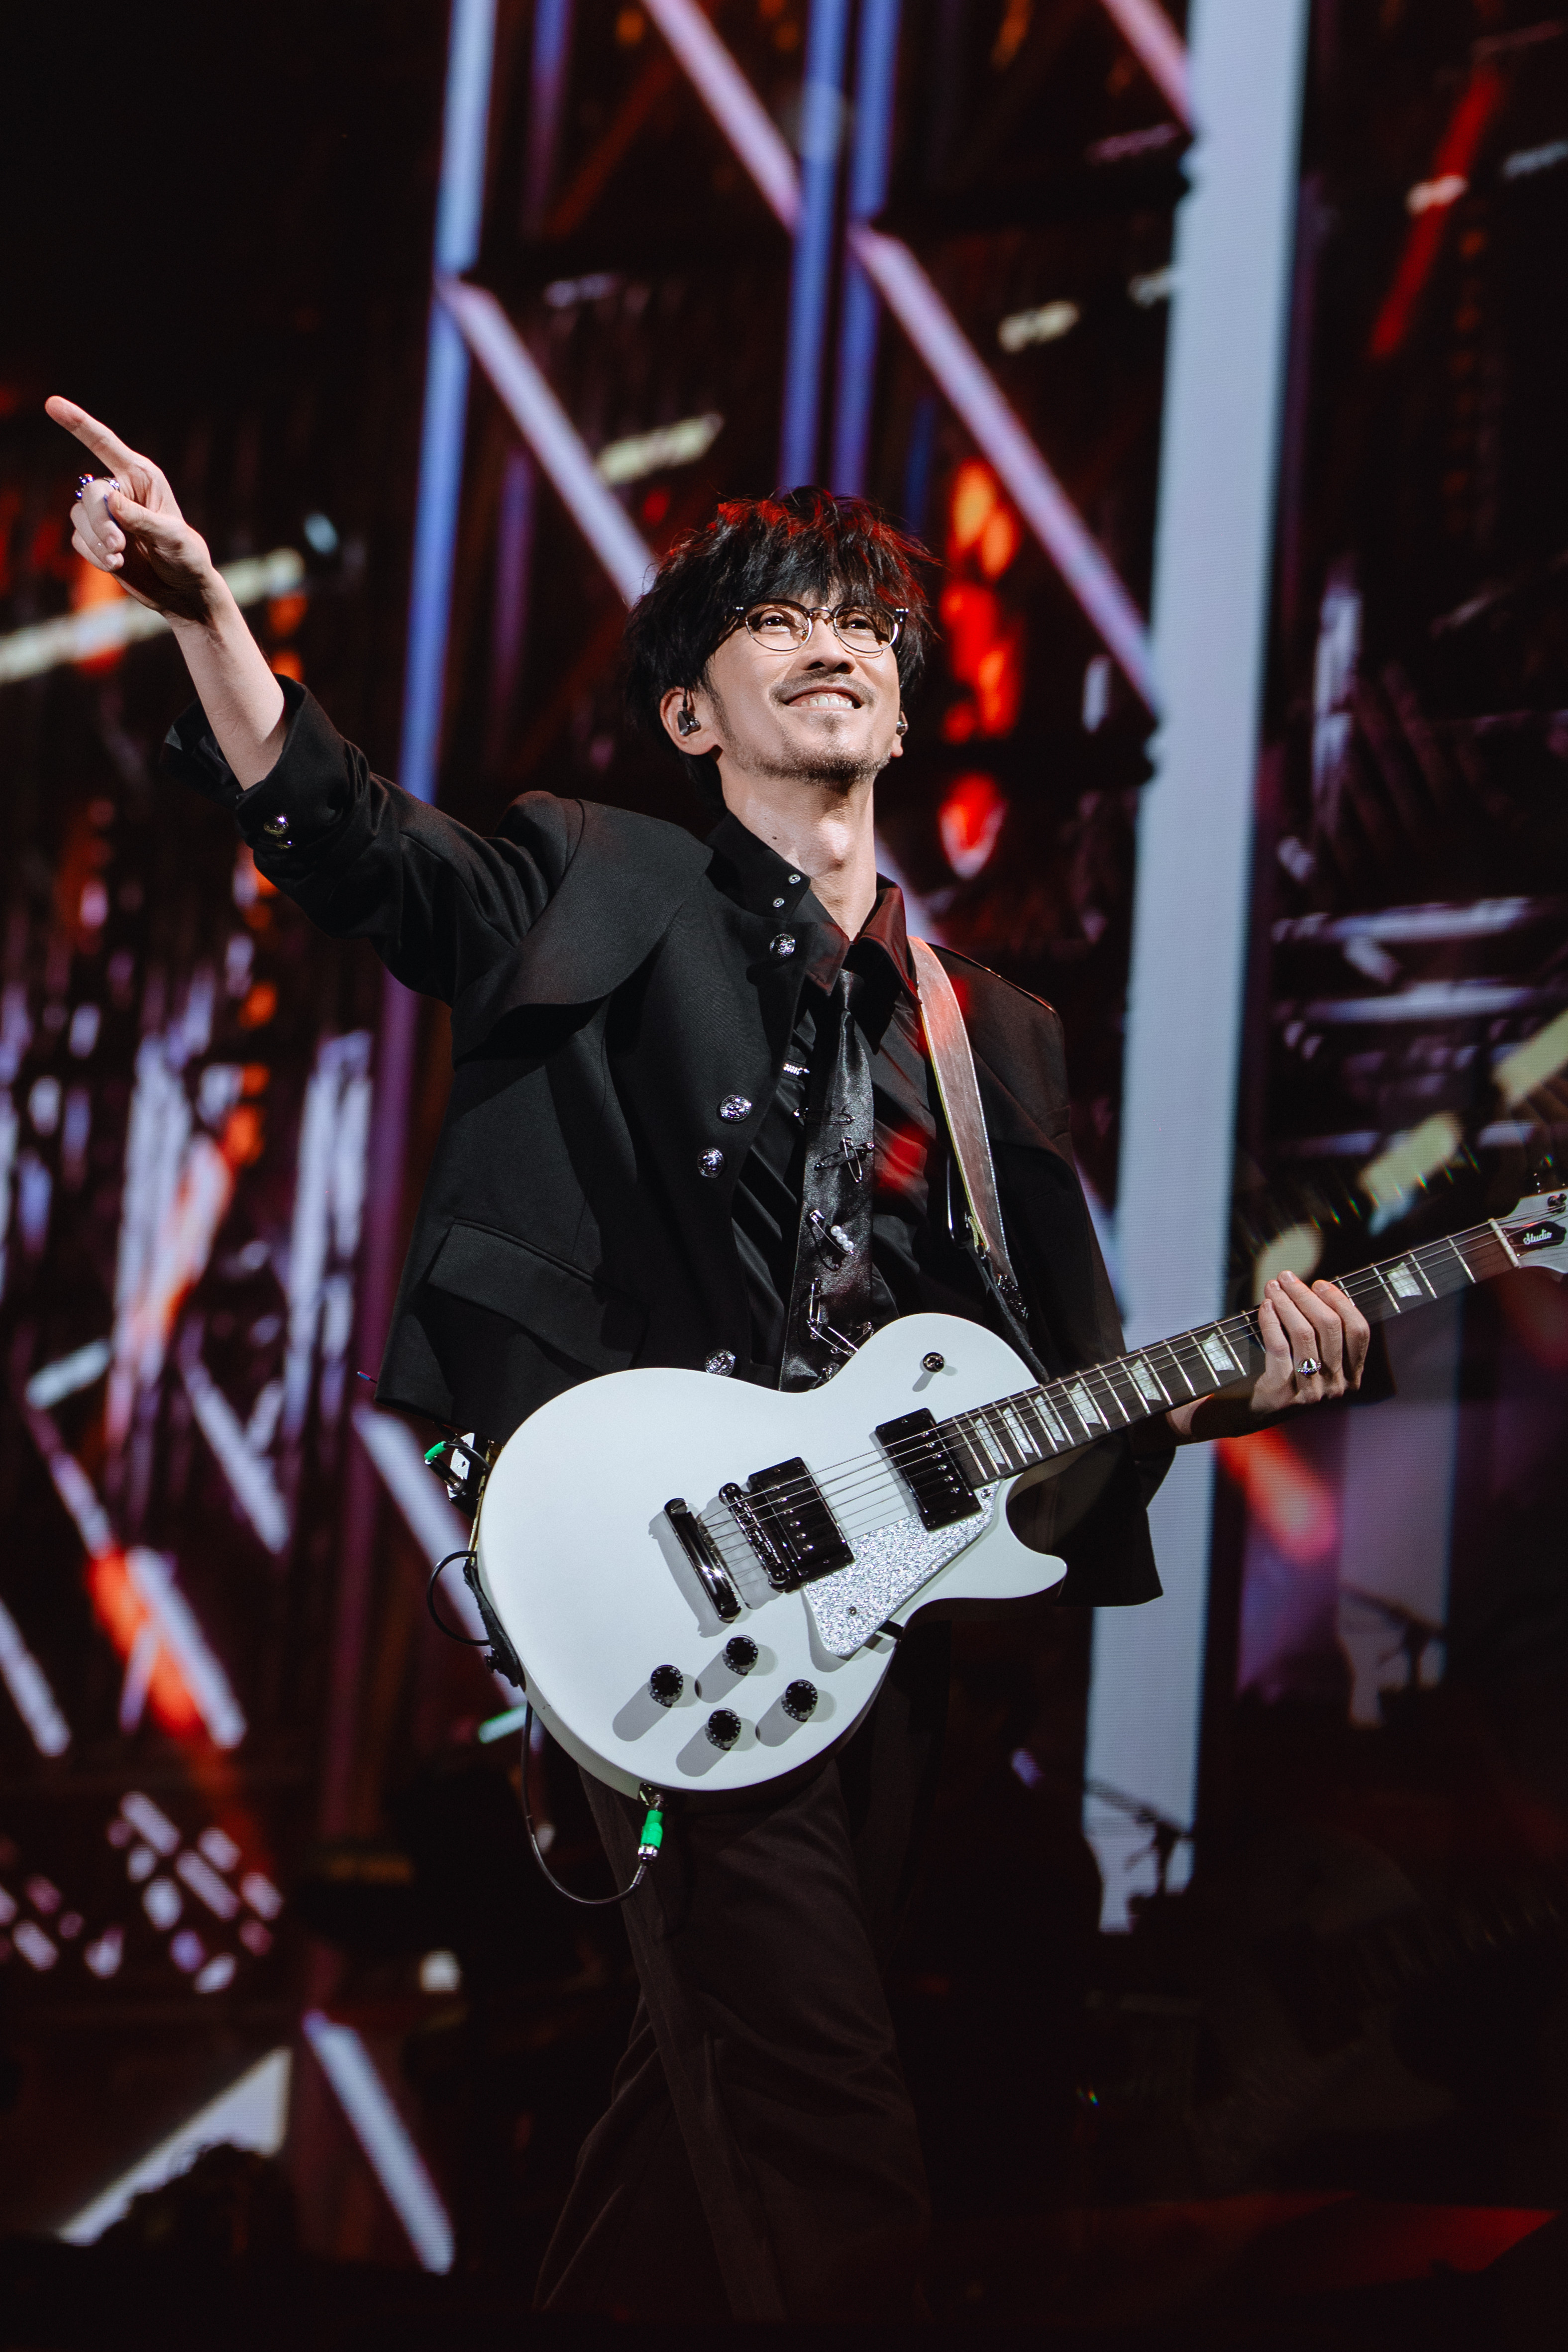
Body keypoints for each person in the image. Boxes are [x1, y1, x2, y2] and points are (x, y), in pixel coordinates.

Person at [48, 396, 1371, 2321]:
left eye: (863, 622)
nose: (833, 641)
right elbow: (361, 848)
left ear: (903, 711)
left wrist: (1247, 1376)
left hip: (877, 1617)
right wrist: (205, 617)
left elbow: (1052, 1373)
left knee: (704, 2122)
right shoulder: (599, 879)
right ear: (691, 715)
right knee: (829, 2129)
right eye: (777, 619)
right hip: (665, 1571)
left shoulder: (990, 1033)